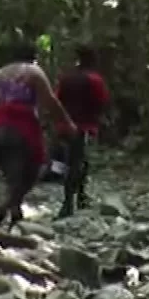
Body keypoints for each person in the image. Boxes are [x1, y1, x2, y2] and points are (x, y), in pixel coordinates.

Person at [0, 42, 79, 227]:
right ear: (33, 58)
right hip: (20, 124)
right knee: (33, 167)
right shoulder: (34, 72)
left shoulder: (0, 72)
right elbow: (50, 101)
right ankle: (10, 207)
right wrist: (66, 122)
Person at [53, 46, 111, 218]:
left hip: (66, 126)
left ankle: (79, 197)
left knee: (74, 162)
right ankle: (70, 201)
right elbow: (103, 101)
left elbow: (57, 100)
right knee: (78, 163)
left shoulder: (66, 79)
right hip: (84, 126)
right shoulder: (95, 80)